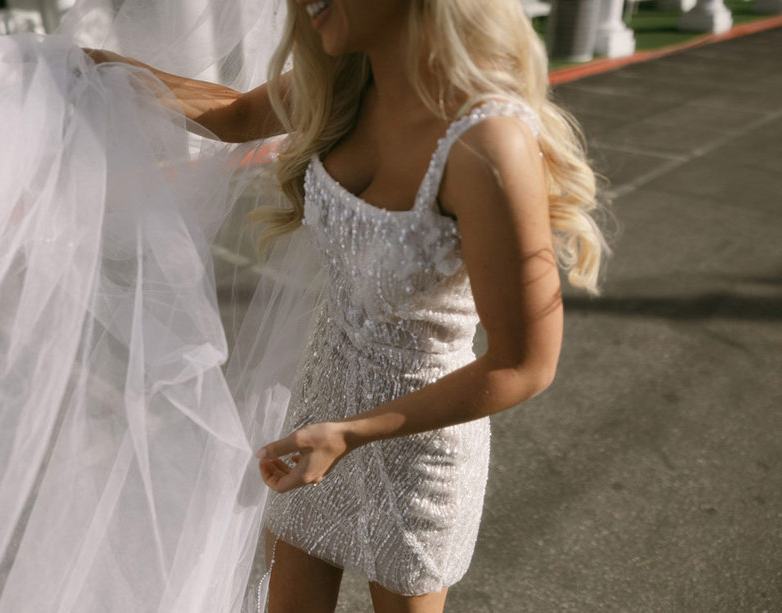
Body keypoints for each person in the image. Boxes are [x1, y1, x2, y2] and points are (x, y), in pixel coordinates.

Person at [87, 0, 608, 611]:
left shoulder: (487, 142)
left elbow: (525, 364)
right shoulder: (342, 83)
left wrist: (349, 436)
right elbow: (236, 114)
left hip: (418, 451)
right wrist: (101, 69)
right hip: (317, 418)